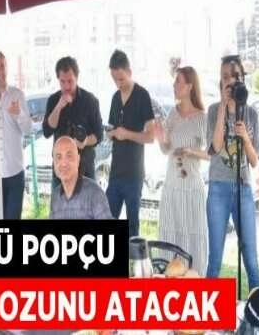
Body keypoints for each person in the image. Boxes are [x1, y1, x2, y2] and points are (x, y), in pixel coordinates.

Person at [205, 55, 259, 290]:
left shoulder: (251, 114)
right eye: (226, 77)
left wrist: (245, 138)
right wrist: (222, 108)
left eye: (235, 76)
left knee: (251, 258)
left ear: (243, 79)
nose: (231, 81)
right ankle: (207, 309)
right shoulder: (212, 111)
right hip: (218, 188)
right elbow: (216, 147)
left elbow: (254, 160)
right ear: (220, 81)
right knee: (215, 258)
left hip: (243, 189)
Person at [154, 66, 209, 275]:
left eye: (178, 81)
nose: (174, 85)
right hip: (172, 185)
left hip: (192, 187)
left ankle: (194, 279)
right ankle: (168, 276)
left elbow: (212, 154)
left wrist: (191, 152)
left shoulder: (202, 118)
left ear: (189, 86)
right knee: (170, 233)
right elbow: (165, 149)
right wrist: (161, 137)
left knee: (192, 234)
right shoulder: (173, 114)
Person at [106, 50, 156, 237]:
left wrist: (126, 134)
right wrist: (111, 134)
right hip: (115, 172)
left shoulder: (142, 95)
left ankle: (133, 256)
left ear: (129, 72)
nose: (118, 84)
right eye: (114, 79)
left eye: (121, 79)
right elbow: (113, 128)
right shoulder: (114, 98)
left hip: (134, 174)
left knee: (132, 228)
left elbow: (150, 137)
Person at [42, 56, 103, 181]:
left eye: (70, 81)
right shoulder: (53, 100)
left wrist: (85, 141)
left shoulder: (90, 101)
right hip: (61, 171)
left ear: (77, 77)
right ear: (58, 79)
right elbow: (47, 131)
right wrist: (59, 106)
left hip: (85, 170)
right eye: (62, 82)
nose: (66, 86)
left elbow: (99, 135)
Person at [0, 51, 33, 219]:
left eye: (2, 65)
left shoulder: (17, 95)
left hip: (14, 171)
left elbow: (28, 129)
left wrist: (19, 113)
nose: (0, 70)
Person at [50, 136, 112, 220]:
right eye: (59, 157)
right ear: (54, 163)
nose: (63, 163)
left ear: (78, 160)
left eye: (69, 156)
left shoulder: (94, 193)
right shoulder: (55, 196)